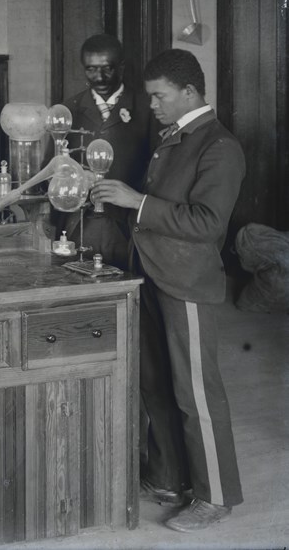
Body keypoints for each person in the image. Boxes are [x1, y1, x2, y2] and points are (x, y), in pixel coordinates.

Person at [91, 49, 244, 533]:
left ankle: (216, 497)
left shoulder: (218, 146)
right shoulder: (174, 137)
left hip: (187, 282)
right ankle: (168, 480)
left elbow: (206, 223)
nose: (152, 104)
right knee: (156, 385)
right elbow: (154, 209)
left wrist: (136, 201)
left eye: (159, 96)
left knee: (196, 393)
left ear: (190, 93)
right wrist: (112, 196)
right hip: (152, 274)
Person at [60, 33, 158, 268]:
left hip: (129, 227)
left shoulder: (148, 108)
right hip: (79, 226)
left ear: (121, 67)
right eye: (91, 69)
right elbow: (54, 168)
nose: (99, 77)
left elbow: (159, 168)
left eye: (107, 69)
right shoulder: (68, 109)